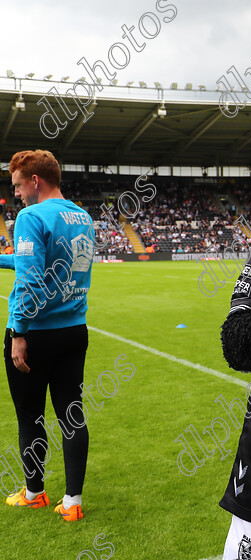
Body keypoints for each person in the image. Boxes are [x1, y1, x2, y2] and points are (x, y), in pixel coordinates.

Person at [3, 150, 95, 522]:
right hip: (74, 329)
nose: (17, 194)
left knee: (30, 417)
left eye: (18, 185)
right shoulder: (82, 216)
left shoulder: (30, 216)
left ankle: (35, 493)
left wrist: (18, 333)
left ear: (35, 180)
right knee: (72, 414)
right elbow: (38, 263)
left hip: (37, 333)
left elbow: (29, 280)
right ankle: (73, 503)